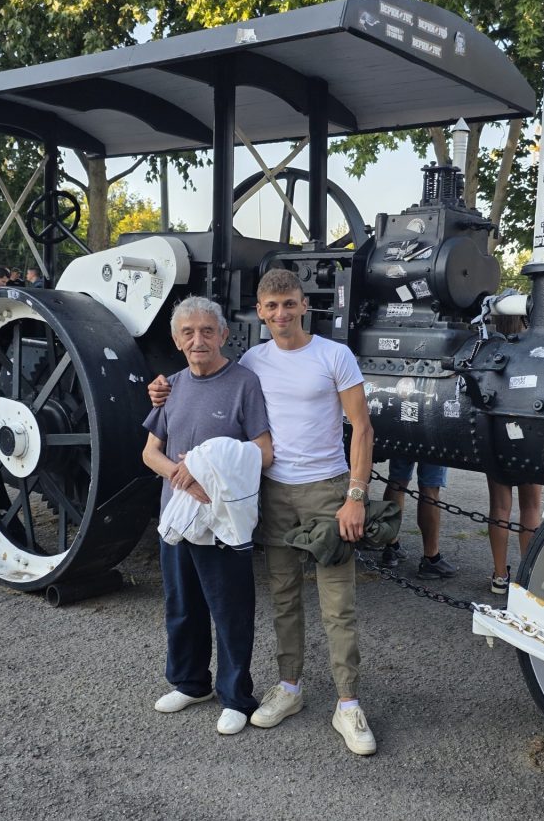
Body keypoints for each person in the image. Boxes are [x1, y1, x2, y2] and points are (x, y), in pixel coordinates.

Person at [149, 268, 378, 756]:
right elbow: (200, 374)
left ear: (303, 305)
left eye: (289, 304)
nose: (281, 314)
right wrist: (161, 387)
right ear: (259, 311)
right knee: (283, 598)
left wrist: (356, 495)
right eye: (271, 307)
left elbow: (361, 428)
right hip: (272, 494)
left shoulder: (334, 355)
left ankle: (348, 703)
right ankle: (289, 687)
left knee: (337, 602)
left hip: (326, 489)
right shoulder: (253, 360)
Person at [143, 295, 273, 736]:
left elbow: (264, 452)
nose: (198, 340)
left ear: (223, 334)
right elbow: (149, 452)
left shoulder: (244, 384)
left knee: (231, 611)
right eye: (188, 332)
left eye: (207, 331)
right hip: (177, 520)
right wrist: (181, 476)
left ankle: (236, 696)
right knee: (182, 608)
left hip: (222, 523)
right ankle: (190, 683)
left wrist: (208, 473)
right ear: (177, 340)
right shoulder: (171, 386)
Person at [486, 314, 541, 594]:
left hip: (496, 437)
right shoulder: (535, 353)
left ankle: (499, 576)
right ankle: (528, 576)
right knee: (530, 507)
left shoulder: (489, 352)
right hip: (530, 436)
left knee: (499, 508)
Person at [381, 461, 458, 578]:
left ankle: (391, 547)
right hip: (432, 443)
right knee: (430, 485)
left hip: (402, 442)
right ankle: (432, 558)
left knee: (396, 481)